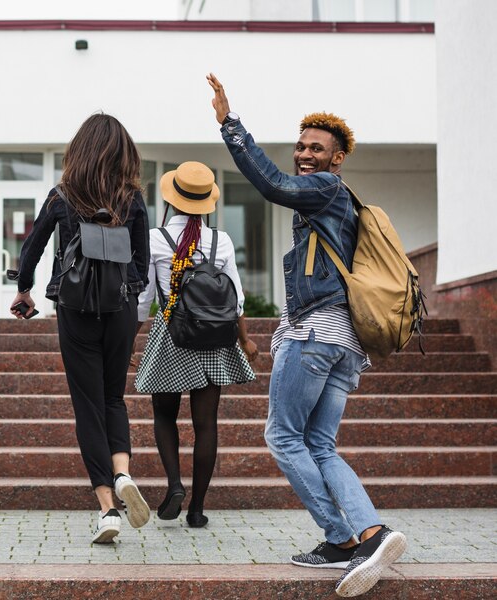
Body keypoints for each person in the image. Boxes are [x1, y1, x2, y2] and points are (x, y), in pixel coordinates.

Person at [207, 73, 407, 598]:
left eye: (316, 148)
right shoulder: (339, 199)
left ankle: (345, 537)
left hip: (315, 334)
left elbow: (272, 185)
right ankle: (365, 534)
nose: (304, 153)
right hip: (345, 344)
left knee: (282, 435)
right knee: (318, 442)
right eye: (300, 146)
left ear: (337, 158)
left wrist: (231, 126)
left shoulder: (323, 189)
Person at [11, 113, 151, 544]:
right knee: (113, 397)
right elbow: (142, 267)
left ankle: (108, 509)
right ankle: (124, 471)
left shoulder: (62, 195)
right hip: (121, 308)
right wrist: (125, 295)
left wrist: (25, 291)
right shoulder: (133, 199)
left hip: (74, 308)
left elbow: (31, 249)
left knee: (87, 405)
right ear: (123, 152)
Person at [134, 161, 258, 528]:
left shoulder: (156, 239)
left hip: (172, 335)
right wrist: (246, 340)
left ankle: (174, 485)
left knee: (163, 415)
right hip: (215, 339)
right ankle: (198, 509)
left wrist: (129, 342)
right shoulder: (221, 240)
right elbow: (236, 300)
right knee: (207, 425)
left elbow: (143, 299)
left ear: (171, 201)